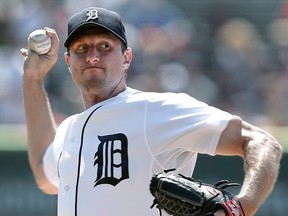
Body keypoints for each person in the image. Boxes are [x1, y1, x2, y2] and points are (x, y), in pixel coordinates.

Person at [20, 7, 282, 216]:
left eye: (105, 46)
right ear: (68, 61)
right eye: (82, 48)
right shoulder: (69, 129)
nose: (92, 57)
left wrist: (240, 207)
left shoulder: (154, 110)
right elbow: (45, 177)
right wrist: (33, 80)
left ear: (126, 58)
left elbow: (262, 143)